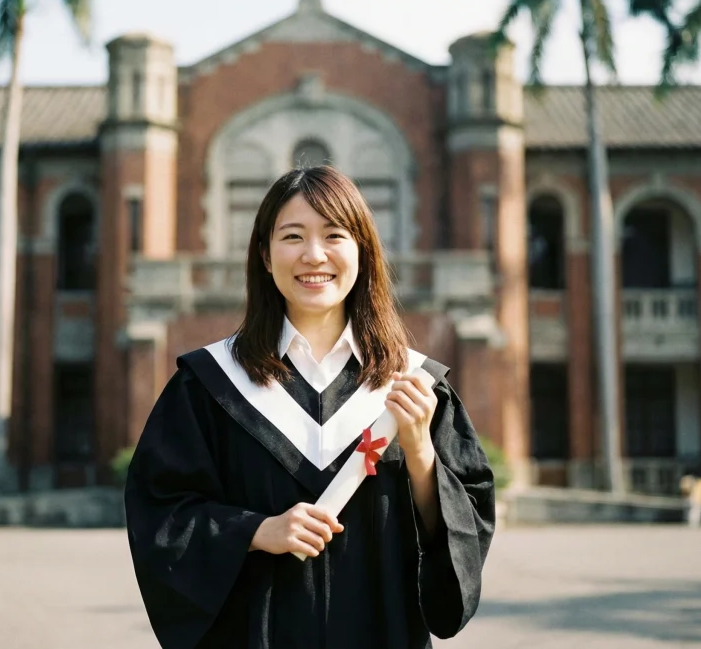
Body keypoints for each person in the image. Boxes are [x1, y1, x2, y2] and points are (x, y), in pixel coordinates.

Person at [124, 165, 496, 649]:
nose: (313, 255)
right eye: (292, 236)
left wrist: (421, 452)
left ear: (362, 251)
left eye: (334, 234)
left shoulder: (415, 384)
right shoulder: (210, 385)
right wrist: (256, 530)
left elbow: (466, 532)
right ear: (265, 254)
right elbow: (160, 512)